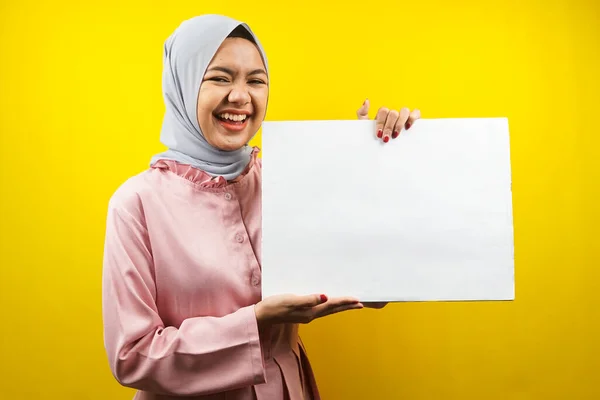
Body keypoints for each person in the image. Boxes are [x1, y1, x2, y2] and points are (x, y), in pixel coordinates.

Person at [101, 14, 421, 400]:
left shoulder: (287, 181)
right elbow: (132, 356)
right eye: (220, 77)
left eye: (256, 80)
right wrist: (256, 321)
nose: (240, 96)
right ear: (182, 87)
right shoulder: (136, 203)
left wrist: (374, 164)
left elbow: (371, 287)